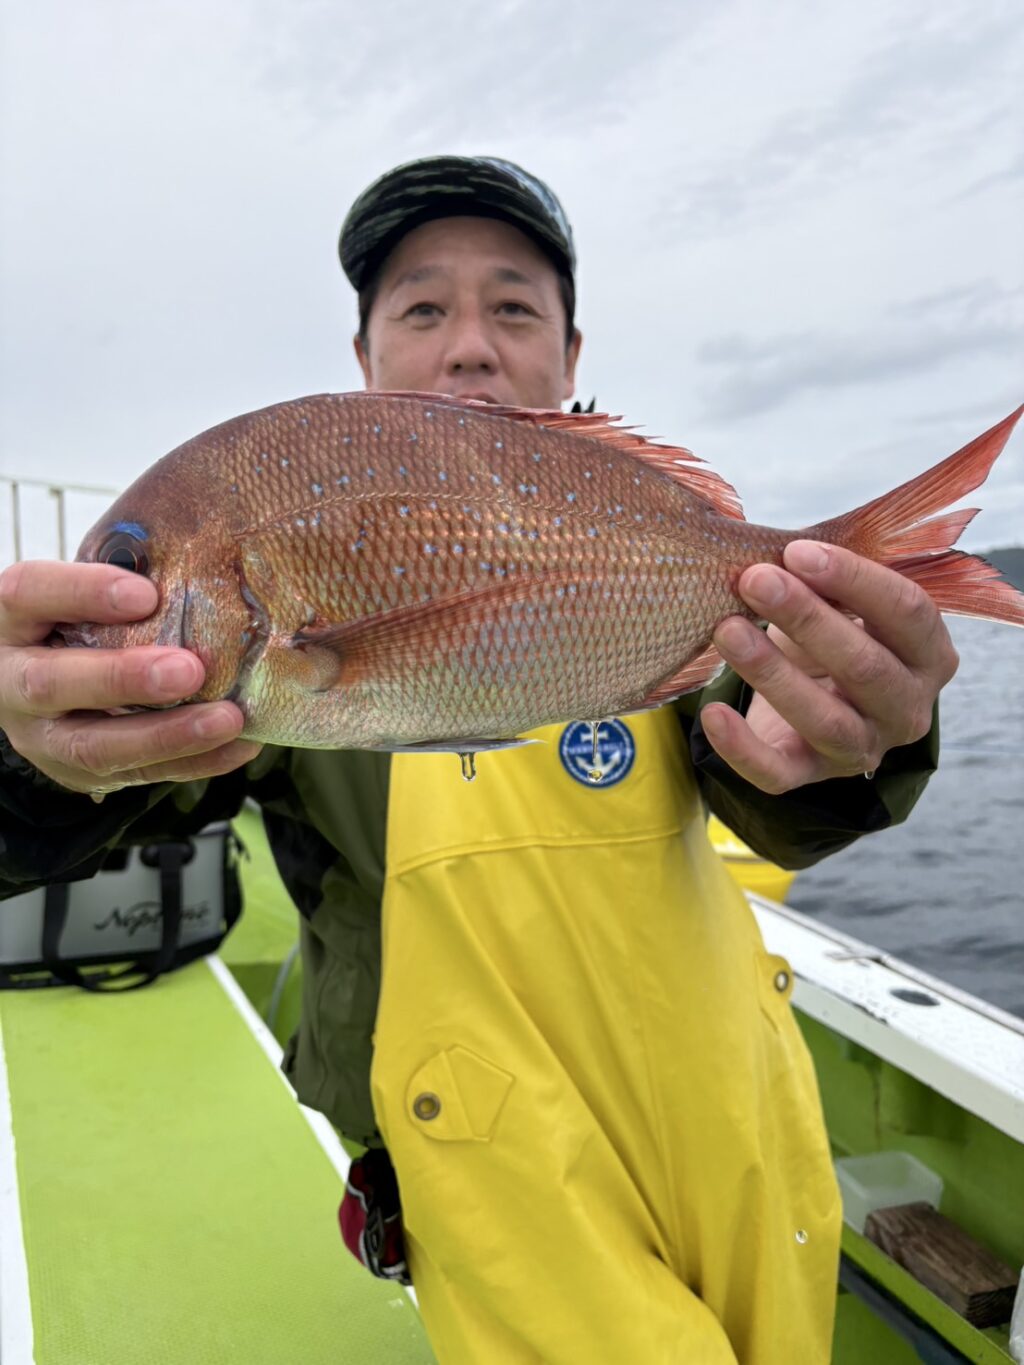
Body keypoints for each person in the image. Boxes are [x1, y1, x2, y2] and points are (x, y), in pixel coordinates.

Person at [0, 156, 957, 1362]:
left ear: (571, 354)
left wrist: (852, 747)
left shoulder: (662, 582)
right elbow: (70, 818)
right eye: (421, 308)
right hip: (477, 1169)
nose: (467, 346)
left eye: (513, 306)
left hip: (743, 1121)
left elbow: (780, 794)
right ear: (362, 361)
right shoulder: (247, 709)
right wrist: (35, 757)